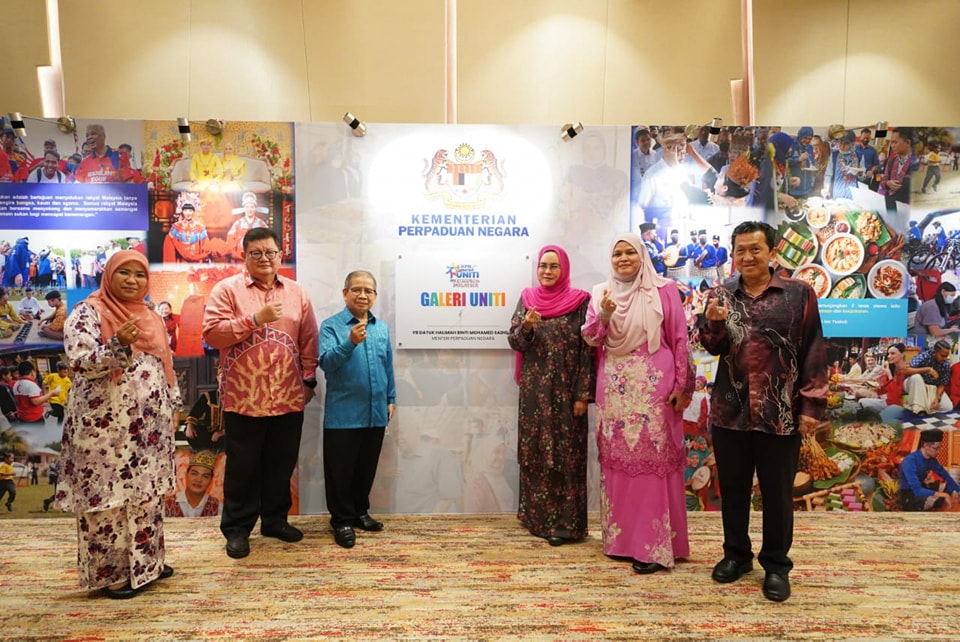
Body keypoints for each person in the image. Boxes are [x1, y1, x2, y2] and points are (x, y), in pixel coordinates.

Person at [700, 221, 827, 602]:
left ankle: (776, 565)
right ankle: (736, 556)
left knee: (777, 494)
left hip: (781, 411)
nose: (748, 256)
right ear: (733, 254)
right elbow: (712, 347)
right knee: (733, 491)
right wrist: (714, 324)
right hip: (731, 410)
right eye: (740, 250)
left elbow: (814, 348)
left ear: (772, 252)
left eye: (755, 249)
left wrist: (812, 404)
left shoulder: (798, 294)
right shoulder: (721, 294)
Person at [54, 250, 180, 599]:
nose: (132, 280)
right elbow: (79, 362)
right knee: (107, 495)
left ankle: (148, 564)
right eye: (124, 273)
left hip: (148, 427)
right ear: (108, 275)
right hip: (103, 428)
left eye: (139, 275)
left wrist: (173, 403)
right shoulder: (87, 312)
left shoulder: (151, 315)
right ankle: (112, 574)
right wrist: (118, 343)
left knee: (147, 494)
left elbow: (165, 363)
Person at [202, 227, 319, 559]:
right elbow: (212, 334)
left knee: (281, 464)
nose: (264, 258)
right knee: (243, 468)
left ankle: (275, 521)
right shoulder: (227, 290)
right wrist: (254, 319)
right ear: (244, 256)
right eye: (256, 253)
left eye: (270, 252)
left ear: (280, 256)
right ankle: (237, 530)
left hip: (288, 395)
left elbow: (309, 339)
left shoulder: (297, 293)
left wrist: (308, 380)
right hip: (243, 398)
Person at [580, 233, 693, 575]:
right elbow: (591, 338)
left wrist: (682, 384)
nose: (624, 258)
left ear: (643, 256)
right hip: (614, 386)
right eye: (618, 253)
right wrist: (603, 314)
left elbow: (680, 338)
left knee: (653, 463)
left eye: (631, 252)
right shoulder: (601, 292)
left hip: (654, 387)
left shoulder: (664, 290)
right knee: (618, 463)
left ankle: (653, 546)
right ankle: (621, 542)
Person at [507, 245, 595, 546]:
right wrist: (527, 326)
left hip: (567, 392)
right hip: (534, 393)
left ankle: (565, 525)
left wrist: (583, 394)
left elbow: (588, 349)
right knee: (535, 452)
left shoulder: (581, 301)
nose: (547, 271)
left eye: (553, 266)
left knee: (566, 455)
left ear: (564, 269)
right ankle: (535, 518)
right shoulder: (527, 299)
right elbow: (516, 342)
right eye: (543, 265)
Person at [319, 270, 396, 549]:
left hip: (376, 413)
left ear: (375, 296)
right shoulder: (331, 326)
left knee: (366, 468)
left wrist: (391, 398)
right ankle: (341, 521)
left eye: (368, 290)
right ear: (345, 293)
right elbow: (326, 363)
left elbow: (388, 365)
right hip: (343, 415)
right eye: (357, 289)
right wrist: (349, 342)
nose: (363, 295)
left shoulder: (381, 327)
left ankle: (360, 512)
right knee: (340, 473)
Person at [898, 429, 960, 511]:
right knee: (935, 499)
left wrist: (958, 490)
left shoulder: (931, 460)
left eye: (940, 448)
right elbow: (917, 490)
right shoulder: (910, 461)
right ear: (926, 445)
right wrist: (944, 495)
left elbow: (944, 474)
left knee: (949, 486)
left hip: (922, 487)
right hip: (909, 494)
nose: (938, 452)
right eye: (936, 448)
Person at [73, 124, 142, 184]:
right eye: (87, 136)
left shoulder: (119, 155)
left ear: (103, 136)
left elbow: (129, 182)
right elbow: (77, 186)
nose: (89, 137)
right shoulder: (85, 162)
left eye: (93, 134)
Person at [164, 450, 222, 517]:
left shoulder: (219, 508)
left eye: (205, 476)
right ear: (186, 474)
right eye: (194, 474)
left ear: (211, 480)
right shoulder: (166, 504)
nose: (199, 480)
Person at [903, 339, 953, 415]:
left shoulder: (946, 364)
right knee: (916, 377)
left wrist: (937, 398)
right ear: (934, 352)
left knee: (948, 407)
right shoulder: (924, 356)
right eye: (942, 356)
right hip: (915, 385)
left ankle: (919, 405)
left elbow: (943, 384)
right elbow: (905, 371)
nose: (945, 359)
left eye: (946, 356)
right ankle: (919, 409)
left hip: (931, 388)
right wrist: (927, 369)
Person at [879, 127, 919, 213]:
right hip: (890, 205)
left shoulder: (916, 163)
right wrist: (887, 183)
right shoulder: (891, 161)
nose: (892, 145)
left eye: (895, 142)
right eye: (891, 142)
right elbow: (883, 180)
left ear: (907, 142)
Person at [225, 192, 269, 260]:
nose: (249, 209)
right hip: (240, 256)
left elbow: (268, 238)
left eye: (252, 207)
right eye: (247, 207)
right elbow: (230, 237)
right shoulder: (238, 223)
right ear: (244, 208)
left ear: (255, 208)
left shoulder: (261, 224)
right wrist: (233, 250)